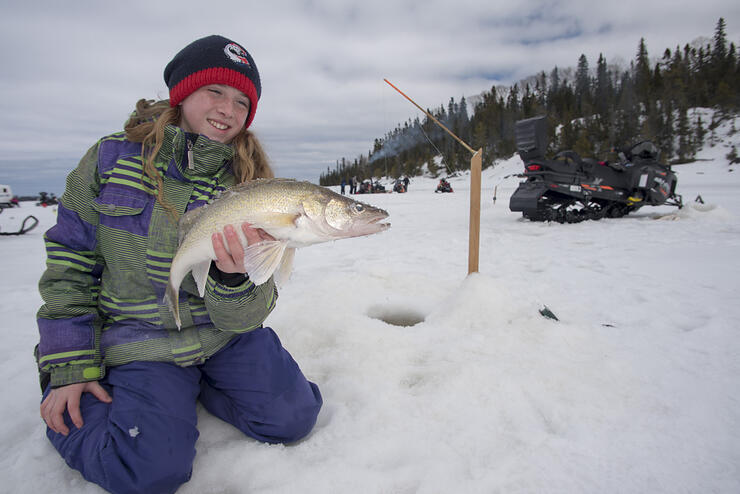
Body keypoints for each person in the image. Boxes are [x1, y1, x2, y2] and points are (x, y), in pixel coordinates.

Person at [35, 35, 322, 494]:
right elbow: (70, 261)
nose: (228, 110)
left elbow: (255, 306)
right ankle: (101, 404)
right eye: (215, 92)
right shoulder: (109, 160)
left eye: (242, 101)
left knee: (294, 417)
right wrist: (67, 366)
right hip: (138, 338)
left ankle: (195, 386)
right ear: (183, 92)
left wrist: (231, 278)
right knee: (149, 472)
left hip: (220, 334)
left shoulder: (253, 184)